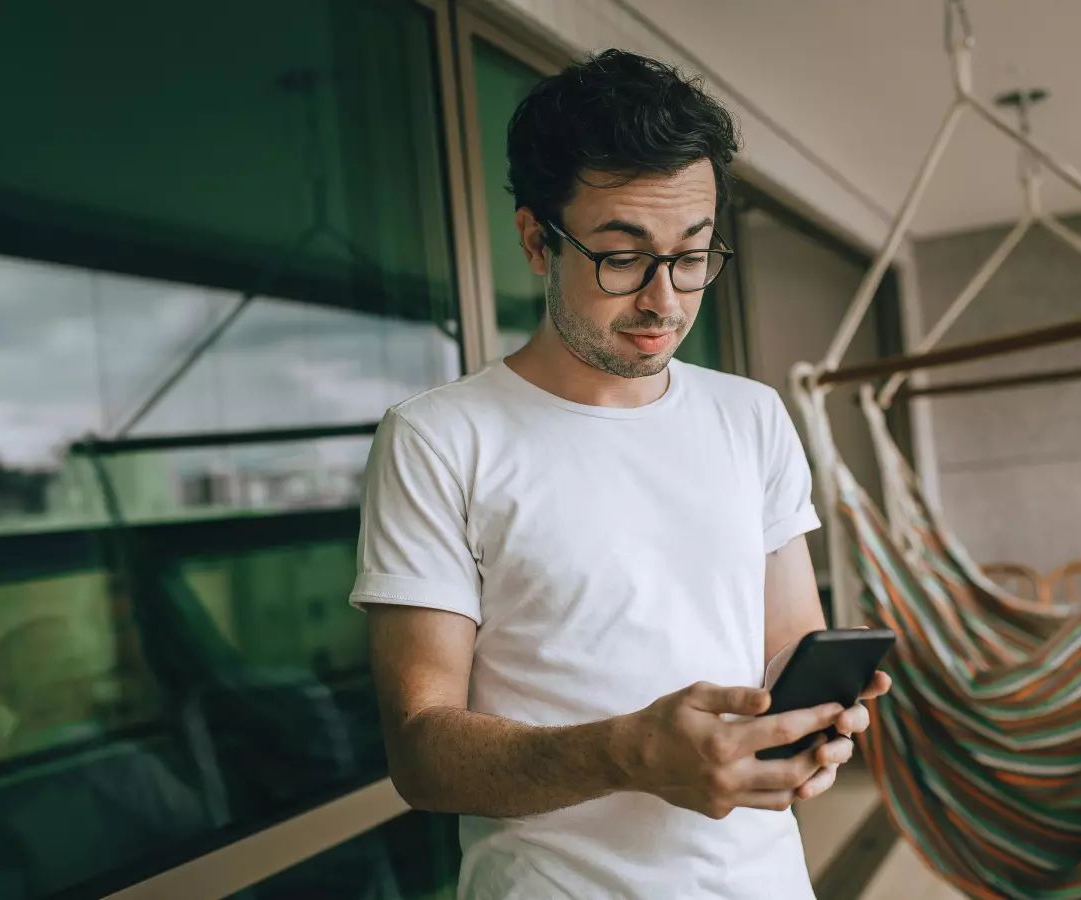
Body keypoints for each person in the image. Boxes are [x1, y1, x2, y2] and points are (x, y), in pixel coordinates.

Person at [355, 49, 891, 899]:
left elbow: (788, 645)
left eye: (692, 255)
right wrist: (630, 752)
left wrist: (815, 726)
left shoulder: (750, 415)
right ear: (537, 238)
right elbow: (421, 754)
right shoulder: (439, 438)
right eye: (622, 255)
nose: (666, 300)